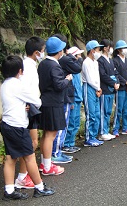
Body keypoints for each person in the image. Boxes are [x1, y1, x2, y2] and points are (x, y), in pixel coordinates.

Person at [0, 55, 55, 200]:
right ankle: (39, 188)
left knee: (10, 158)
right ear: (20, 71)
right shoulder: (18, 85)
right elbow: (37, 101)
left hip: (6, 124)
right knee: (30, 157)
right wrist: (29, 104)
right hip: (18, 127)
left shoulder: (4, 84)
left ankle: (9, 191)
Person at [38, 37, 72, 175]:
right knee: (50, 135)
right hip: (53, 103)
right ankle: (47, 167)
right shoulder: (54, 65)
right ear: (59, 51)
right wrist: (67, 79)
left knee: (46, 134)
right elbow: (59, 85)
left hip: (45, 101)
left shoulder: (43, 64)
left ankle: (44, 162)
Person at [15, 37, 45, 189]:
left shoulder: (29, 64)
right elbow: (24, 88)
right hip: (29, 108)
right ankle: (22, 177)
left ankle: (23, 175)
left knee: (31, 142)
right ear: (36, 52)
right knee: (31, 143)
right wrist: (30, 104)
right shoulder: (28, 66)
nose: (43, 53)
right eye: (43, 50)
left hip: (30, 107)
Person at [51, 34, 82, 163]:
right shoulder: (63, 59)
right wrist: (74, 57)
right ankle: (56, 152)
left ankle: (58, 150)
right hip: (63, 96)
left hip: (63, 95)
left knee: (63, 125)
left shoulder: (53, 61)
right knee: (61, 126)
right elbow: (78, 68)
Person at [62, 46, 84, 153]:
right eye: (78, 55)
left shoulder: (76, 71)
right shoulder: (71, 71)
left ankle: (72, 143)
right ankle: (67, 144)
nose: (80, 57)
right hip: (73, 99)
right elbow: (72, 86)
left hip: (78, 98)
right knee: (70, 122)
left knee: (76, 122)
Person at [82, 40, 104, 147]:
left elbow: (97, 77)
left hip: (96, 88)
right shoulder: (86, 62)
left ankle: (94, 136)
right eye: (98, 49)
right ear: (92, 50)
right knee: (90, 114)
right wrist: (98, 88)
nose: (99, 52)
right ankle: (88, 138)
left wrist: (98, 88)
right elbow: (90, 79)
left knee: (96, 113)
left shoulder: (96, 62)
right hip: (89, 87)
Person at [112, 40, 127, 137]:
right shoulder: (115, 61)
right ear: (118, 50)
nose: (125, 50)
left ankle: (126, 127)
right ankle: (116, 128)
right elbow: (116, 74)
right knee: (119, 109)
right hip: (121, 89)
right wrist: (126, 83)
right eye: (123, 48)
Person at [97, 39, 119, 141]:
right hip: (105, 89)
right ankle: (102, 132)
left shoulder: (110, 60)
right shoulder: (100, 61)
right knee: (103, 111)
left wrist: (117, 82)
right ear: (105, 48)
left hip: (111, 90)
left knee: (108, 111)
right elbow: (103, 75)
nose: (111, 49)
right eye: (110, 47)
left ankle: (106, 130)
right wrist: (113, 83)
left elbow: (115, 73)